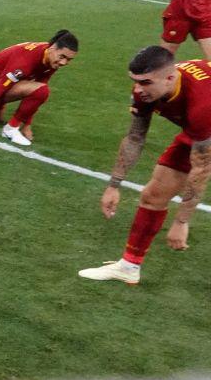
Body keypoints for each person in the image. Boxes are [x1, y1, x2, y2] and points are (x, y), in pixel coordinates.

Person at [79, 47, 211, 284]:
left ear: (170, 78)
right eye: (135, 82)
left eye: (145, 83)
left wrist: (181, 221)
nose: (138, 89)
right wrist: (114, 185)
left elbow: (201, 168)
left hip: (205, 127)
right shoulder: (146, 91)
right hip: (198, 132)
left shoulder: (203, 104)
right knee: (152, 195)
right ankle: (129, 267)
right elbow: (134, 138)